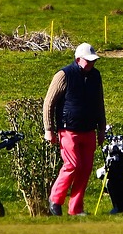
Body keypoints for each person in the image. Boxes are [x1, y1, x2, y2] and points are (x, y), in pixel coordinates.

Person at [44, 42, 107, 216]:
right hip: (68, 130)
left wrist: (101, 129)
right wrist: (49, 129)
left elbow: (99, 103)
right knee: (72, 165)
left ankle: (76, 209)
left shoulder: (96, 76)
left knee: (85, 169)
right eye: (88, 61)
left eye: (93, 61)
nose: (92, 63)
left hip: (89, 130)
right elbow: (49, 103)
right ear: (78, 59)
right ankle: (55, 200)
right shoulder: (64, 75)